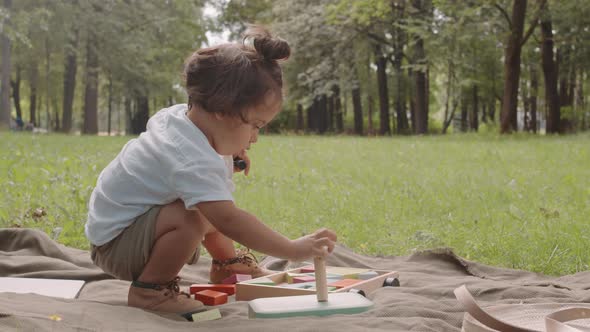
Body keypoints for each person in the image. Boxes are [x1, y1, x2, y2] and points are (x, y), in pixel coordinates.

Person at [84, 26, 337, 320]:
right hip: (116, 245)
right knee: (197, 215)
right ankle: (149, 291)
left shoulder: (187, 121)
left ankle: (228, 265)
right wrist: (291, 249)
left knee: (206, 202)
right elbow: (230, 221)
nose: (255, 138)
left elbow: (197, 152)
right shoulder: (189, 159)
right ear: (221, 110)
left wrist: (231, 151)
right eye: (255, 125)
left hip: (125, 228)